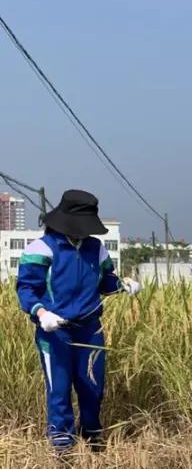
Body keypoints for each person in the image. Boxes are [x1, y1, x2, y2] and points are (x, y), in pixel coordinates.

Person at [16, 189, 140, 453]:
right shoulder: (41, 249)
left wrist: (123, 285)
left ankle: (92, 436)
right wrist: (41, 313)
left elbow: (106, 283)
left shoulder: (96, 248)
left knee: (92, 385)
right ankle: (62, 443)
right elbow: (26, 289)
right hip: (54, 330)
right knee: (59, 388)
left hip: (90, 328)